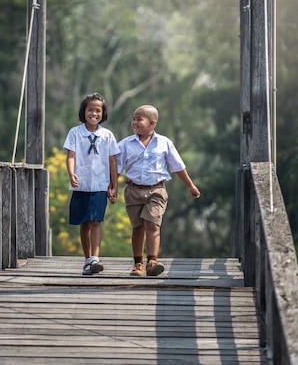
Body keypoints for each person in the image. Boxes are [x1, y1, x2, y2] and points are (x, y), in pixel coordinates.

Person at [116, 104, 200, 277]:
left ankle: (152, 261)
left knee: (153, 225)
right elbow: (115, 168)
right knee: (137, 227)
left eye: (139, 119)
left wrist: (190, 185)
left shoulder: (164, 143)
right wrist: (111, 187)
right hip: (132, 190)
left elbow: (177, 166)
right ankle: (138, 264)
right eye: (133, 119)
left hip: (157, 190)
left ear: (152, 123)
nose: (134, 122)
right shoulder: (125, 144)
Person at [63, 93, 120, 275]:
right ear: (84, 112)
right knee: (84, 223)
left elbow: (112, 161)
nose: (94, 113)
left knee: (96, 220)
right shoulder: (75, 133)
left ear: (103, 114)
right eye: (90, 110)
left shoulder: (107, 135)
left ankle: (95, 258)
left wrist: (114, 184)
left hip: (100, 185)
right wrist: (71, 174)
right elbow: (70, 155)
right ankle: (87, 259)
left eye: (98, 110)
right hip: (81, 184)